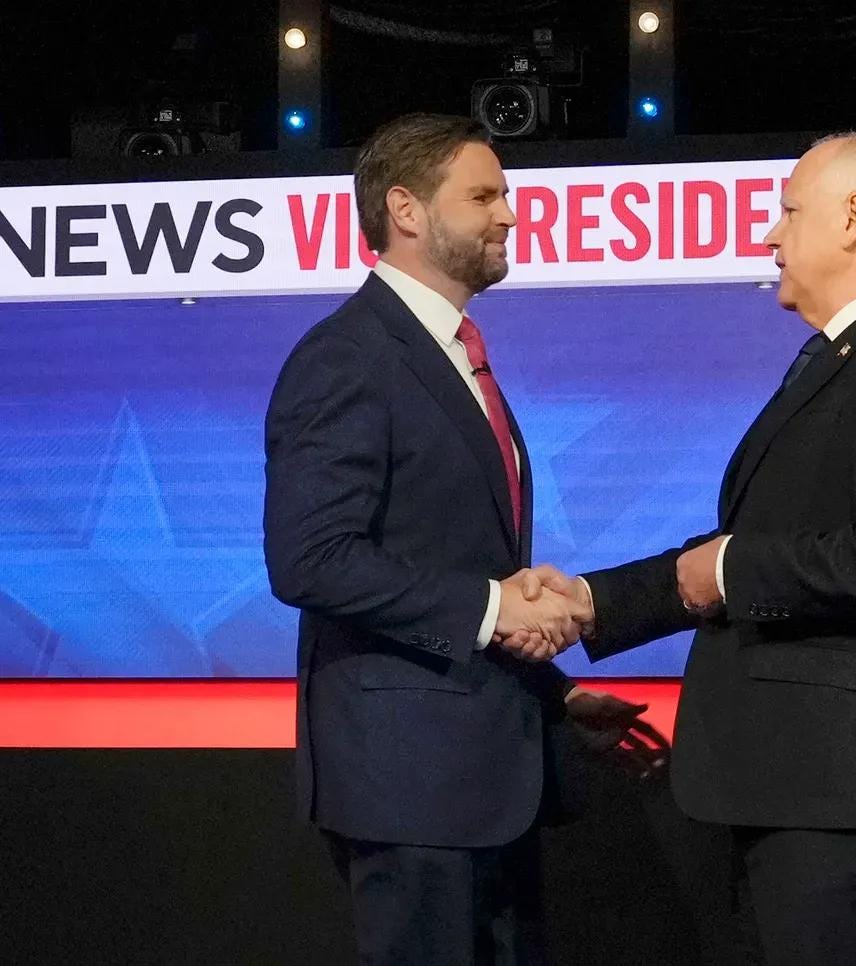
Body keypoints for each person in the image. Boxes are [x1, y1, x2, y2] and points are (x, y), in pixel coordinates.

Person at [521, 132, 856, 965]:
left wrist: (729, 570)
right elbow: (761, 545)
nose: (770, 236)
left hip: (841, 801)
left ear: (853, 218)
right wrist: (598, 601)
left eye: (788, 211)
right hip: (798, 794)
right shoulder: (850, 358)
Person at [263, 113, 640, 966]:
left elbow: (456, 559)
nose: (509, 214)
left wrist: (553, 695)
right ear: (405, 209)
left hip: (489, 774)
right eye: (483, 195)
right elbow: (309, 557)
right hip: (408, 787)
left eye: (504, 194)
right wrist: (493, 606)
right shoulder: (348, 357)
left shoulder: (454, 354)